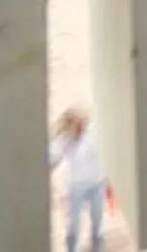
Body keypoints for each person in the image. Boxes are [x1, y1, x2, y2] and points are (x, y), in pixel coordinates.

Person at [50, 107, 109, 252]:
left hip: (97, 182)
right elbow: (52, 158)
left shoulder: (94, 133)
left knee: (98, 223)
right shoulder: (64, 140)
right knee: (73, 225)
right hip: (76, 186)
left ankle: (98, 248)